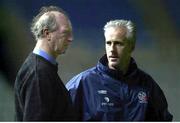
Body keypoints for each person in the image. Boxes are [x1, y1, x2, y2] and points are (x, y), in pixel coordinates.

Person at [66, 19, 173, 121]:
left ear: (131, 47)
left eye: (118, 43)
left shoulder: (148, 85)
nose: (112, 49)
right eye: (108, 43)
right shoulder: (82, 83)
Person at [14, 6, 76, 121]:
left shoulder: (41, 68)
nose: (70, 38)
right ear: (47, 34)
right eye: (65, 33)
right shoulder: (39, 73)